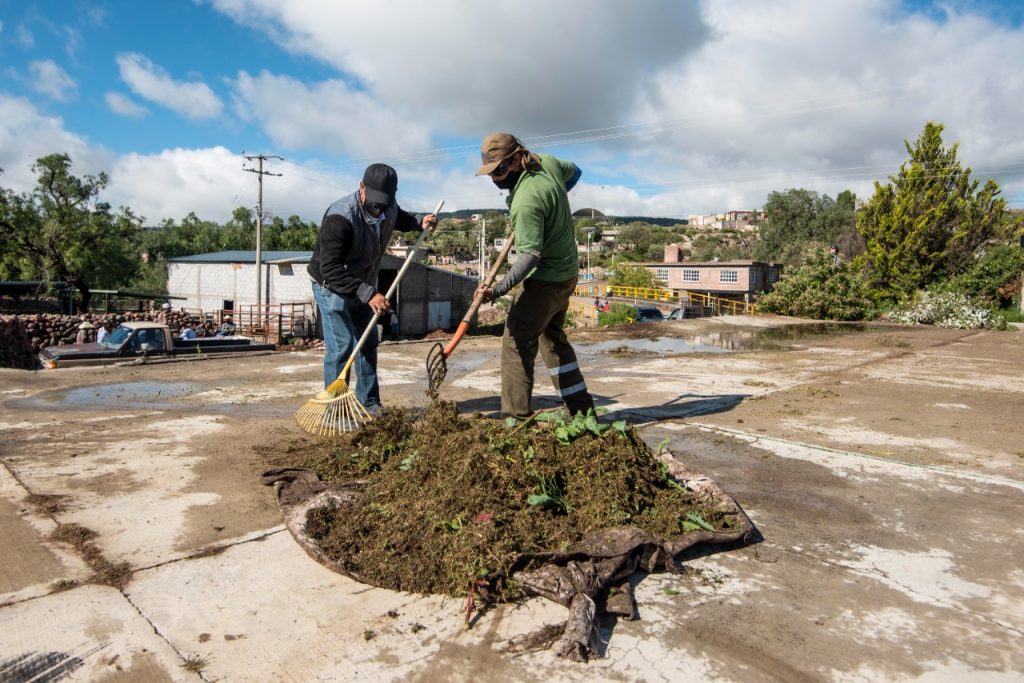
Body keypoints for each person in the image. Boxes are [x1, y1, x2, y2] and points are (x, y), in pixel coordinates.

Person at [474, 133, 595, 420]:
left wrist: (498, 289)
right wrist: (554, 198)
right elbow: (576, 172)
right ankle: (581, 410)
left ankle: (515, 419)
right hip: (567, 273)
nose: (494, 178)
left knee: (516, 342)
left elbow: (529, 257)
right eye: (490, 172)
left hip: (546, 279)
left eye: (499, 170)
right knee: (552, 339)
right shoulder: (548, 163)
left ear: (516, 158)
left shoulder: (526, 201)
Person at [307, 163, 438, 413]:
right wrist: (368, 294)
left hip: (364, 284)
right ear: (361, 187)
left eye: (384, 204)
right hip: (330, 285)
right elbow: (330, 268)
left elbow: (401, 218)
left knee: (367, 341)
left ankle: (369, 402)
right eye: (375, 202)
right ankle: (334, 410)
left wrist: (419, 222)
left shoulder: (388, 208)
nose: (378, 209)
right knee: (343, 346)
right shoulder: (340, 217)